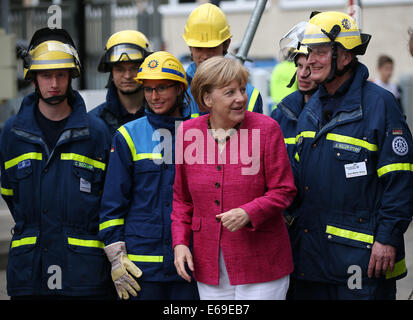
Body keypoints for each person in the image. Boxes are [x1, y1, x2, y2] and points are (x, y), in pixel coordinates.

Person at [289, 11, 413, 300]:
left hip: (364, 261)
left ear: (344, 57)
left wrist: (387, 239)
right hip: (311, 261)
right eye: (309, 52)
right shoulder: (310, 110)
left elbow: (400, 181)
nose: (310, 60)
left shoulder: (380, 105)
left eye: (320, 51)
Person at [0, 27, 114, 299]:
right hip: (30, 276)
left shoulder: (97, 133)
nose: (54, 83)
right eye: (46, 75)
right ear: (33, 78)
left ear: (71, 75)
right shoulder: (11, 133)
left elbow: (109, 201)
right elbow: (10, 195)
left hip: (84, 277)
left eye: (61, 75)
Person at [171, 56, 297, 300]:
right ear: (207, 99)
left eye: (242, 89)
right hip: (208, 267)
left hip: (262, 264)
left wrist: (249, 212)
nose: (240, 98)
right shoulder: (187, 133)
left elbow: (284, 190)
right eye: (229, 92)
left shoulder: (267, 129)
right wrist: (180, 243)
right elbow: (182, 200)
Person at [98, 51, 199, 300]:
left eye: (162, 88)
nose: (154, 96)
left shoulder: (200, 132)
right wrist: (116, 258)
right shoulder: (127, 135)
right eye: (148, 89)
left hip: (190, 266)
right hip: (140, 270)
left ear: (179, 89)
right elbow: (112, 205)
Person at [182, 3, 263, 118]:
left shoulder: (250, 96)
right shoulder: (179, 90)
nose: (205, 56)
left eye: (211, 48)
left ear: (226, 45)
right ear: (190, 47)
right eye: (198, 48)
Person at [271, 21, 318, 163]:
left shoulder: (332, 114)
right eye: (299, 66)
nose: (303, 74)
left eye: (310, 68)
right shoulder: (280, 114)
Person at [89, 30, 152, 136]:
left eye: (134, 68)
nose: (127, 76)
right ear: (111, 72)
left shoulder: (161, 116)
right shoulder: (94, 122)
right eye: (120, 69)